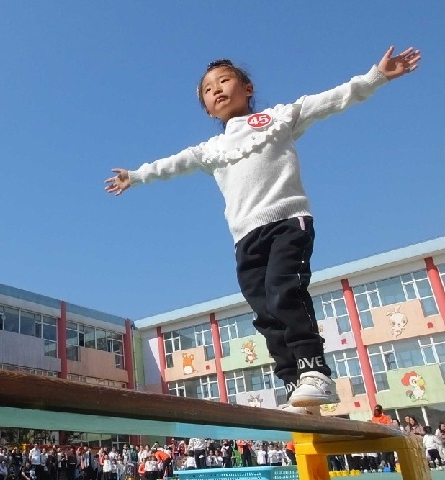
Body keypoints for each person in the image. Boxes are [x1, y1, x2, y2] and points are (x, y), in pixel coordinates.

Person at [104, 45, 421, 413]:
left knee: (285, 292)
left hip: (287, 222)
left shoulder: (278, 118)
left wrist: (376, 76)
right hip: (245, 239)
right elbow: (171, 164)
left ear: (248, 87)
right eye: (208, 89)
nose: (217, 90)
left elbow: (333, 100)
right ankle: (294, 385)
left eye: (225, 81)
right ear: (206, 108)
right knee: (266, 313)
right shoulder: (211, 149)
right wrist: (136, 175)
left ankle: (315, 371)